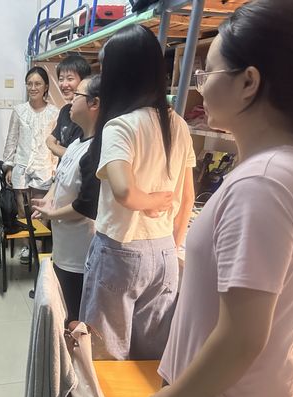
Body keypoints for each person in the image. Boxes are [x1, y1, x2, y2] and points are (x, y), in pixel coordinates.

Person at [147, 1, 293, 397]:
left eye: (208, 72)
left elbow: (243, 336)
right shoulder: (292, 166)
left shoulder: (263, 182)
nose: (200, 85)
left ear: (249, 82)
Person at [79, 25, 196, 361]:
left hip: (121, 250)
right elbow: (188, 197)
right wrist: (170, 245)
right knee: (151, 357)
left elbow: (125, 192)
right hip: (164, 251)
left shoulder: (120, 126)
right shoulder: (178, 124)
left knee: (105, 353)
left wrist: (152, 200)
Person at [32, 75, 101, 323]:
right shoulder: (75, 144)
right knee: (62, 313)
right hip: (63, 248)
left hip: (80, 255)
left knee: (74, 320)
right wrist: (49, 200)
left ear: (94, 103)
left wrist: (52, 214)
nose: (71, 100)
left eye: (78, 95)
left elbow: (87, 206)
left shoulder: (96, 151)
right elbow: (59, 178)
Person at [3, 66, 59, 263]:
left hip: (45, 167)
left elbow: (57, 143)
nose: (33, 87)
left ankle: (39, 247)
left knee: (40, 210)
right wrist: (9, 166)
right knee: (22, 211)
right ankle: (27, 247)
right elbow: (12, 139)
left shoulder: (55, 113)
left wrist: (55, 168)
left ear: (46, 87)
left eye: (37, 84)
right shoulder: (19, 111)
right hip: (21, 167)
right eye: (29, 84)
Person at [46, 55, 92, 158]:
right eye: (61, 79)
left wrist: (54, 147)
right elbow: (49, 140)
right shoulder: (65, 110)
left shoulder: (88, 114)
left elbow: (78, 156)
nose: (64, 84)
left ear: (84, 81)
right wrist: (55, 147)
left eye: (70, 79)